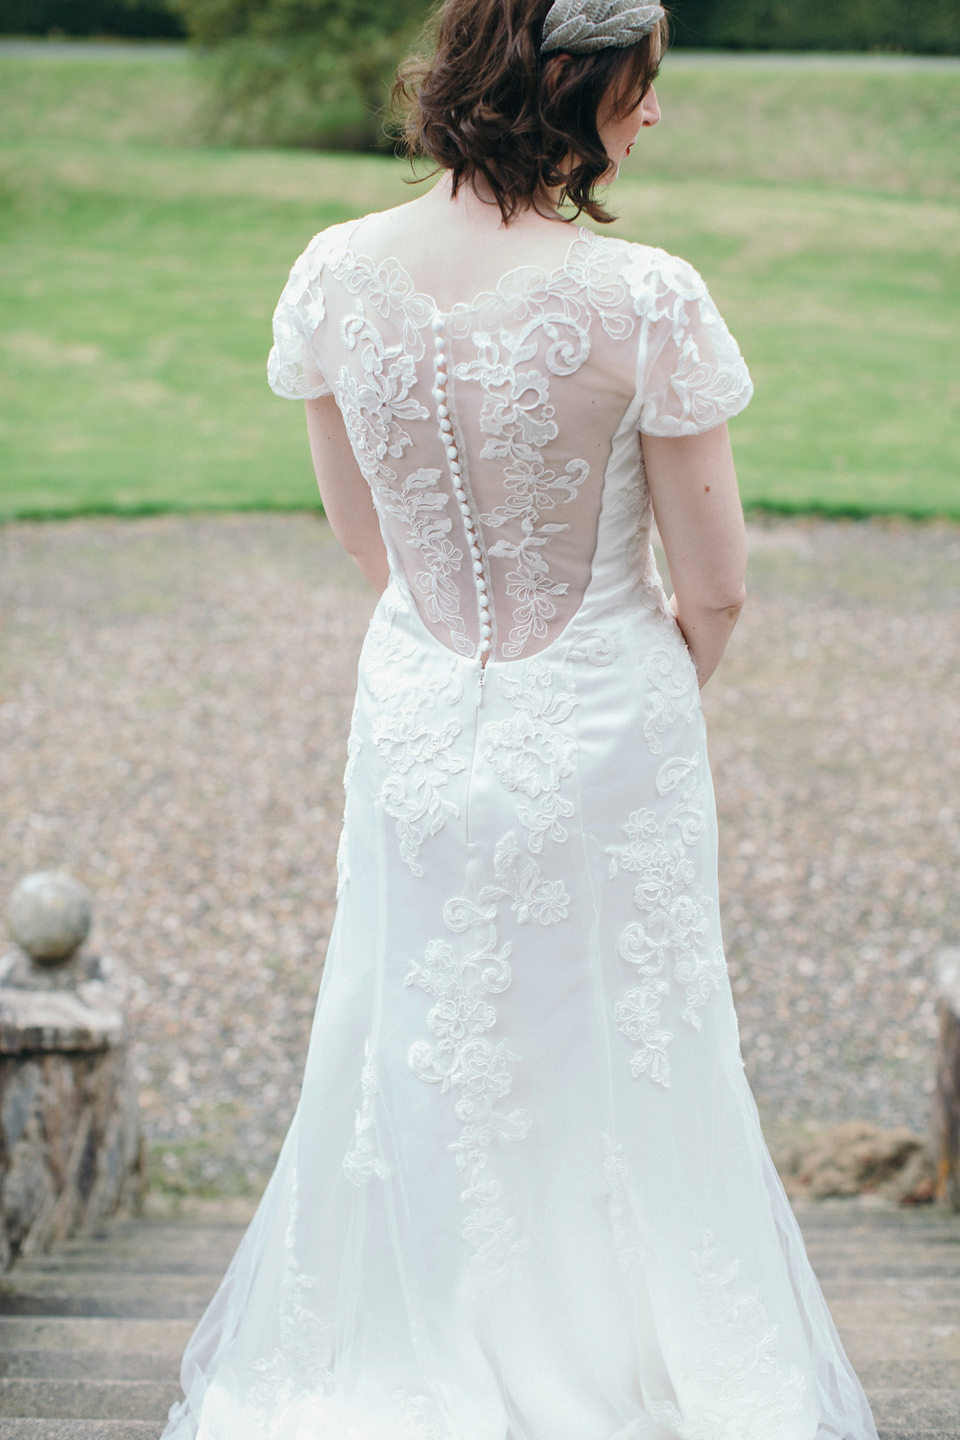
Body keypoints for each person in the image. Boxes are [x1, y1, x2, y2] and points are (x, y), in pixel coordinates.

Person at [162, 2, 880, 1436]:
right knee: (623, 1043)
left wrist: (465, 656)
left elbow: (368, 543)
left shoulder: (336, 272)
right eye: (640, 85)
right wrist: (646, 677)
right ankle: (619, 1358)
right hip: (606, 717)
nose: (653, 114)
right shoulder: (643, 299)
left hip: (420, 712)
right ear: (568, 90)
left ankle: (415, 1342)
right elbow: (718, 582)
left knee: (412, 1029)